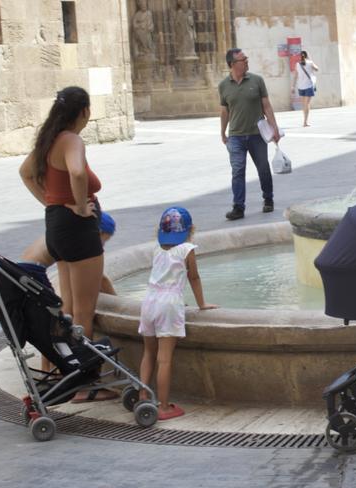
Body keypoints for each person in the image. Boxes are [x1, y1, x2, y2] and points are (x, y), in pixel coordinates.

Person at [19, 86, 113, 402]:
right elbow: (76, 171)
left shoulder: (48, 139)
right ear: (84, 112)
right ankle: (84, 386)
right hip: (78, 230)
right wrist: (82, 206)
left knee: (69, 310)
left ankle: (65, 374)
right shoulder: (71, 139)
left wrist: (52, 202)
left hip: (56, 227)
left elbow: (26, 173)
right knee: (84, 313)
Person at [137, 206, 217, 420]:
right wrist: (202, 304)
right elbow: (194, 278)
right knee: (165, 359)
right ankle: (163, 406)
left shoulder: (156, 248)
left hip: (149, 301)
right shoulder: (187, 249)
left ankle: (143, 395)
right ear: (190, 230)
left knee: (148, 353)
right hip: (169, 304)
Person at [21, 212, 118, 376]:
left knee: (59, 317)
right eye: (104, 241)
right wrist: (117, 301)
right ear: (99, 233)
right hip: (32, 275)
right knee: (72, 316)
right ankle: (80, 373)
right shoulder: (83, 240)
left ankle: (50, 369)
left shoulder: (63, 232)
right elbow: (100, 279)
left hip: (25, 273)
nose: (102, 246)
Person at [219, 48, 281, 221]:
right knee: (238, 170)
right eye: (243, 59)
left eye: (246, 59)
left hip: (256, 134)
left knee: (263, 168)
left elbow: (266, 106)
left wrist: (274, 128)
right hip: (236, 136)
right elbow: (225, 112)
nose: (246, 61)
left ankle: (268, 199)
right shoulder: (223, 85)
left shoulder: (257, 80)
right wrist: (223, 132)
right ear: (232, 64)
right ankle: (238, 207)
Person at [293, 50, 320, 127]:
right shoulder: (310, 63)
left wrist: (293, 86)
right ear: (307, 56)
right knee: (307, 104)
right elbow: (317, 69)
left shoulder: (297, 64)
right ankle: (305, 122)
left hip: (300, 87)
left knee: (304, 104)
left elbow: (295, 76)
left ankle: (304, 121)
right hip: (308, 86)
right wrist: (311, 60)